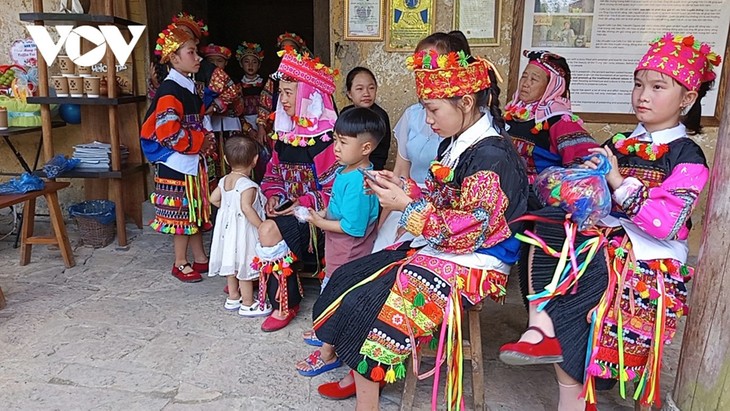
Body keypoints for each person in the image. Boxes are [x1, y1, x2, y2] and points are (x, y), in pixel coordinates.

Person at [500, 33, 720, 410]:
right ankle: (541, 331)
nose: (642, 95)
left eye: (657, 87)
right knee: (545, 221)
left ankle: (567, 375)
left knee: (579, 281)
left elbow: (664, 223)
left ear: (687, 99)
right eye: (638, 84)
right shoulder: (619, 142)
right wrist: (581, 178)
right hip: (604, 240)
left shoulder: (688, 156)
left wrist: (616, 180)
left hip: (648, 256)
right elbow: (587, 192)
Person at [311, 49, 528, 409]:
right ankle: (357, 375)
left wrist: (405, 206)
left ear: (466, 102)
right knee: (351, 275)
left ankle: (366, 396)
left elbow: (469, 230)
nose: (427, 119)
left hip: (477, 261)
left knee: (370, 303)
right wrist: (404, 187)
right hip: (448, 245)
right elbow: (445, 199)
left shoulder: (492, 156)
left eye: (433, 109)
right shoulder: (457, 142)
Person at [251, 47, 339, 333]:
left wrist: (301, 202)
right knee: (259, 221)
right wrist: (274, 195)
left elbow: (334, 190)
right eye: (282, 93)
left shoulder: (326, 140)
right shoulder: (285, 136)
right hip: (289, 210)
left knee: (268, 230)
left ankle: (284, 303)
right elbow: (272, 174)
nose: (283, 100)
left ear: (309, 96)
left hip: (318, 216)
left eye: (289, 93)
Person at [295, 107, 383, 377]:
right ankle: (326, 331)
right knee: (331, 293)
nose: (335, 147)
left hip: (348, 254)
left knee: (335, 298)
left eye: (343, 142)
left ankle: (328, 353)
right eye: (335, 140)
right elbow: (340, 211)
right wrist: (322, 214)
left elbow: (353, 227)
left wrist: (319, 223)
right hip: (339, 251)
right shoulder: (349, 171)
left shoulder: (358, 181)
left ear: (366, 147)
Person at [372, 32, 466, 252]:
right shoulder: (412, 115)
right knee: (379, 250)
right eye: (420, 66)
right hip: (404, 200)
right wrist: (380, 225)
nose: (425, 73)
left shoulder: (463, 126)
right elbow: (401, 172)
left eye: (431, 65)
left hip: (441, 215)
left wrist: (414, 217)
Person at [140, 27, 215, 282]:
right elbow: (168, 133)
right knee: (182, 213)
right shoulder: (170, 90)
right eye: (191, 52)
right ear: (174, 58)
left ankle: (200, 257)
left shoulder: (187, 86)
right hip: (175, 162)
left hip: (189, 159)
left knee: (193, 209)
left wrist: (203, 140)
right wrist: (200, 141)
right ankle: (180, 262)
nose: (198, 57)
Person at [208, 136, 272, 317]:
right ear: (255, 160)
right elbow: (246, 208)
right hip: (244, 231)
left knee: (231, 262)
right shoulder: (248, 185)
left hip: (228, 230)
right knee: (244, 265)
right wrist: (262, 226)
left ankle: (233, 297)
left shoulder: (224, 181)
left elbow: (213, 199)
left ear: (226, 160)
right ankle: (248, 303)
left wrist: (228, 210)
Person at [255, 32, 309, 145]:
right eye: (283, 48)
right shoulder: (275, 78)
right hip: (279, 126)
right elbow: (265, 104)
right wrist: (261, 126)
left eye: (291, 48)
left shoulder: (307, 76)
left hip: (304, 126)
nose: (287, 51)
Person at [339, 67, 391, 171]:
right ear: (349, 93)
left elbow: (379, 155)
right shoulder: (345, 113)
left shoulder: (379, 116)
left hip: (370, 170)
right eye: (359, 89)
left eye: (371, 88)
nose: (366, 93)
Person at [236, 41, 266, 134]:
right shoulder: (237, 85)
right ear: (241, 64)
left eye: (254, 62)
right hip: (244, 125)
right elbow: (236, 110)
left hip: (264, 125)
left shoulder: (265, 83)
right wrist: (248, 129)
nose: (250, 65)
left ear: (259, 65)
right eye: (246, 61)